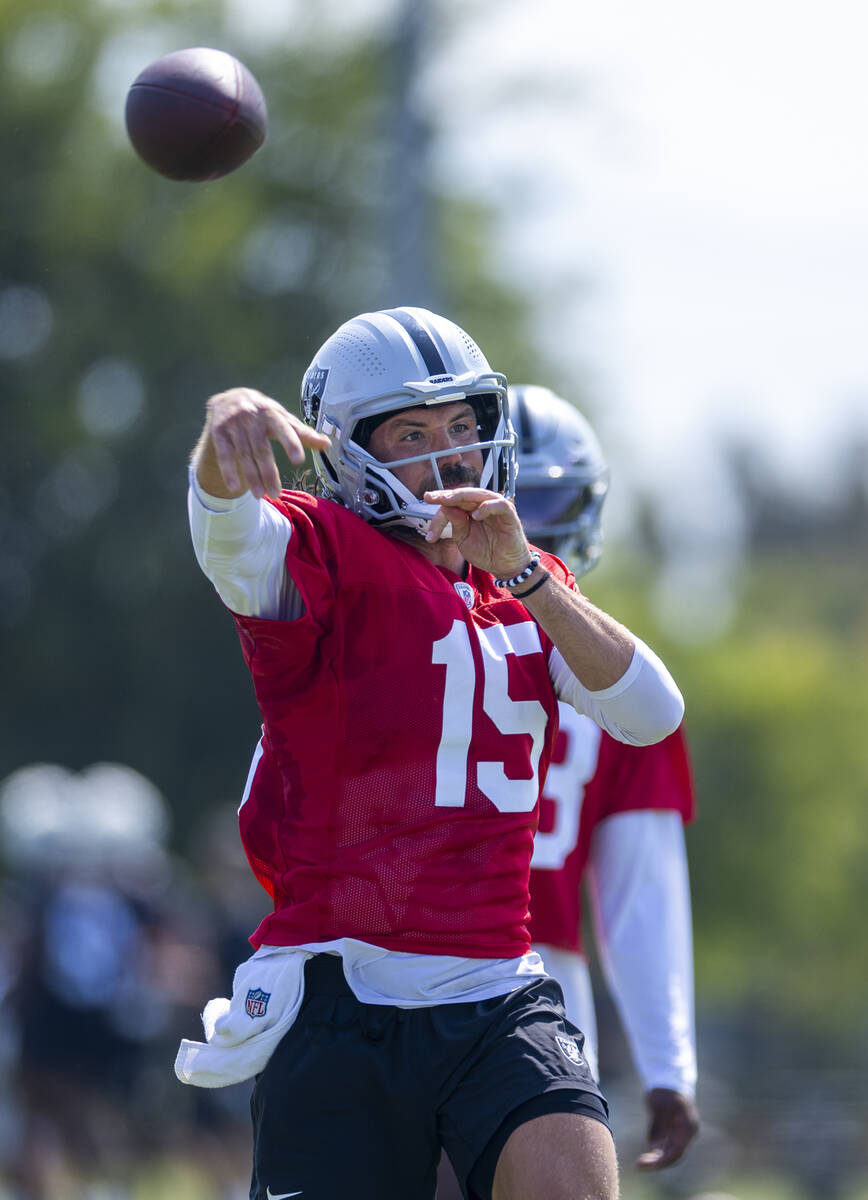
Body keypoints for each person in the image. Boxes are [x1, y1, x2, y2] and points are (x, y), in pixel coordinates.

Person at [176, 306, 685, 1200]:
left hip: (497, 987)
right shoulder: (324, 550)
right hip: (342, 999)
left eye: (461, 426)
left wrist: (526, 573)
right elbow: (226, 534)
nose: (449, 455)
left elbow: (651, 711)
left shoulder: (530, 585)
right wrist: (223, 437)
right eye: (412, 433)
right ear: (350, 450)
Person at [511, 385, 700, 1170]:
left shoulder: (393, 630)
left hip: (391, 978)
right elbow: (639, 896)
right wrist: (669, 1066)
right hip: (545, 998)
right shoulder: (619, 673)